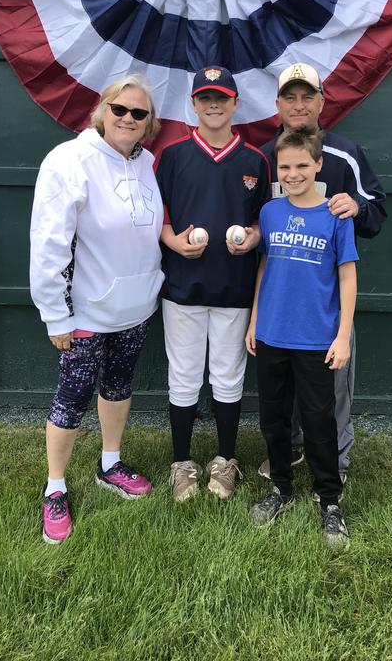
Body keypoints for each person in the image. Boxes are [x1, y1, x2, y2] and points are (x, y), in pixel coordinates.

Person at [30, 74, 164, 544]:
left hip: (136, 307)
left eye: (138, 113)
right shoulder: (69, 161)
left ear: (149, 122)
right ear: (101, 111)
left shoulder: (146, 163)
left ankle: (110, 462)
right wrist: (55, 314)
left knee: (119, 384)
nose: (128, 118)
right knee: (72, 397)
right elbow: (48, 244)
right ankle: (55, 487)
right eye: (119, 108)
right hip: (85, 313)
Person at [257, 62, 386, 490]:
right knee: (284, 389)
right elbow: (257, 222)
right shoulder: (265, 156)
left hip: (326, 302)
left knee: (331, 389)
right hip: (281, 300)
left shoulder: (344, 153)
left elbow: (377, 213)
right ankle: (291, 449)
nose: (298, 105)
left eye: (307, 96)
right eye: (289, 97)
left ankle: (336, 463)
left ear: (321, 102)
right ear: (278, 104)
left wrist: (358, 207)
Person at [155, 67, 270, 502]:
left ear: (236, 103)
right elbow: (158, 214)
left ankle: (225, 459)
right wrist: (172, 241)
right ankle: (181, 462)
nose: (214, 105)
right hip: (183, 286)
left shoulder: (255, 160)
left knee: (227, 375)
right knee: (184, 375)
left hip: (234, 287)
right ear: (194, 104)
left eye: (221, 97)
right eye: (205, 97)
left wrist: (253, 238)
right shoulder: (173, 155)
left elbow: (261, 221)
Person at [246, 128, 358, 548]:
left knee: (318, 420)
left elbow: (347, 278)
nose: (292, 174)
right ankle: (281, 486)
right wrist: (255, 321)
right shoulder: (271, 212)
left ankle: (329, 500)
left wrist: (342, 336)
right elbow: (264, 268)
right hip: (272, 334)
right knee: (274, 418)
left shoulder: (336, 215)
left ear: (318, 165)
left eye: (301, 166)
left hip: (315, 338)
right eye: (285, 167)